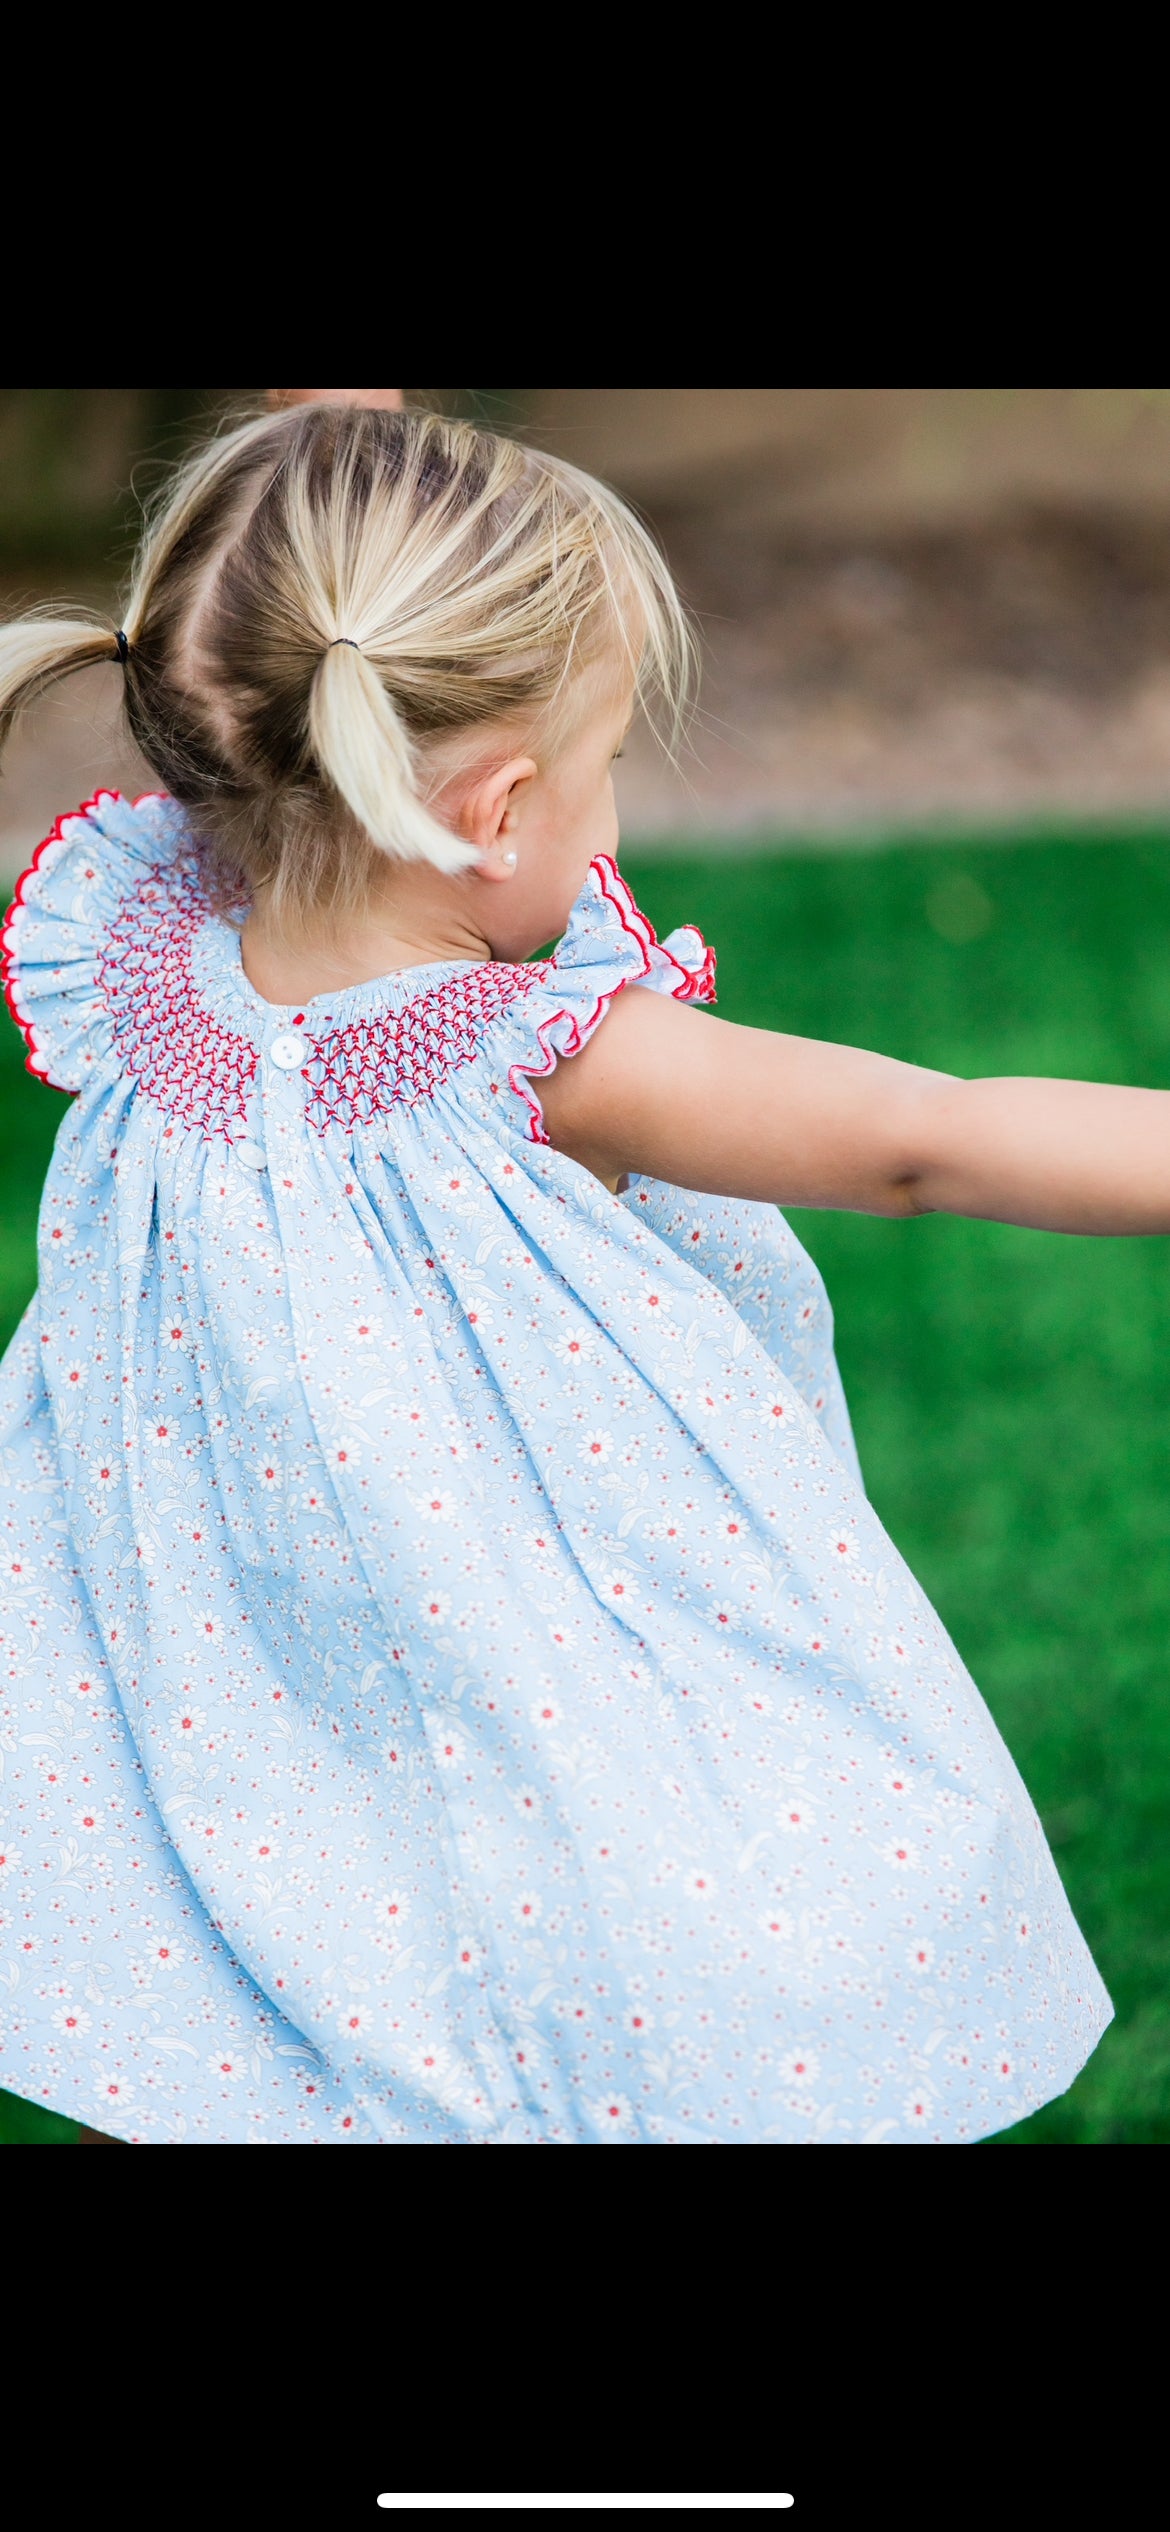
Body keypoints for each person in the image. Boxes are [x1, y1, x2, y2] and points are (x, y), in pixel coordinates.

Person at [1, 395, 1156, 2145]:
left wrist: (337, 460)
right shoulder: (540, 1059)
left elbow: (286, 577)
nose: (614, 799)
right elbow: (934, 1136)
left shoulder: (147, 977)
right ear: (498, 804)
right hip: (548, 1676)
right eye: (610, 758)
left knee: (340, 2019)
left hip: (260, 1695)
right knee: (628, 1987)